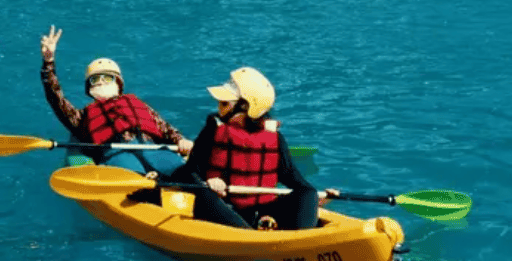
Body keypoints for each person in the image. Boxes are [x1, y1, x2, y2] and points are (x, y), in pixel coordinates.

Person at [179, 66, 327, 231]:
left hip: (262, 210)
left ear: (245, 107)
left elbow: (297, 183)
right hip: (222, 208)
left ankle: (301, 241)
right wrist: (208, 183)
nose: (218, 108)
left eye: (224, 103)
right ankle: (251, 239)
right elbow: (188, 174)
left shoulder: (274, 138)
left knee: (308, 193)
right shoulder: (213, 131)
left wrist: (317, 199)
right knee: (206, 194)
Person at [39, 25, 192, 176]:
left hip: (154, 150)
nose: (101, 82)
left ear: (118, 83)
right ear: (89, 88)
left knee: (186, 173)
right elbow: (55, 98)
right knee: (136, 181)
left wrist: (180, 140)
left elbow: (164, 127)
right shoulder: (81, 117)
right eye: (95, 79)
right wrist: (48, 62)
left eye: (107, 77)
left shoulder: (136, 103)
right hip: (116, 156)